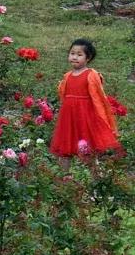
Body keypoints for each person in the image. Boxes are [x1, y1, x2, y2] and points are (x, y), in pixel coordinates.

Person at [49, 39, 122, 168]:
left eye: (79, 54)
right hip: (69, 118)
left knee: (87, 149)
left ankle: (94, 179)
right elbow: (63, 96)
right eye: (72, 53)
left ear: (88, 58)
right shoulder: (67, 76)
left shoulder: (91, 75)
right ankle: (64, 180)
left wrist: (100, 117)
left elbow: (98, 97)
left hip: (85, 117)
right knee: (65, 149)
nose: (75, 57)